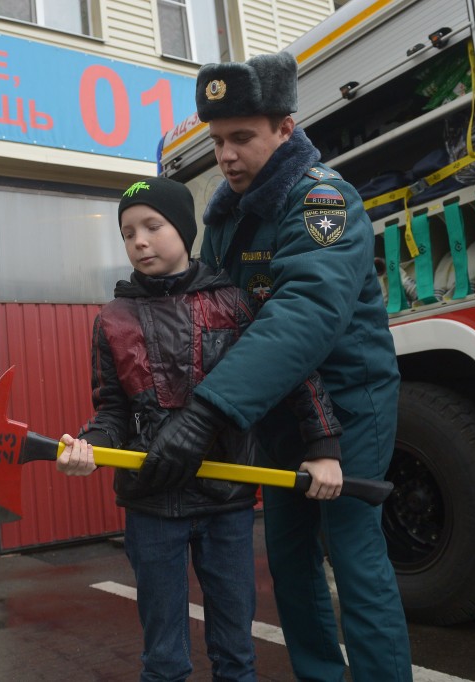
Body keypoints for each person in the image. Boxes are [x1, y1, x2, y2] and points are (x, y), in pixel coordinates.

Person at [136, 53, 414, 681]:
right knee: (289, 555)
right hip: (273, 405)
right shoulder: (229, 217)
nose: (226, 155)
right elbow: (214, 315)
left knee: (352, 549)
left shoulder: (322, 201)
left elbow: (305, 312)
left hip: (347, 403)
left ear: (286, 129)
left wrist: (209, 409)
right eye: (218, 141)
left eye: (243, 138)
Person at [57, 176, 342, 682]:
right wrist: (88, 448)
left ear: (184, 230)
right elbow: (111, 415)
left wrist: (323, 446)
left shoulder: (234, 302)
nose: (139, 241)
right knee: (163, 658)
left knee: (236, 652)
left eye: (152, 226)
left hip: (227, 502)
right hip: (150, 507)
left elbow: (294, 373)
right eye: (127, 233)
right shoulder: (112, 320)